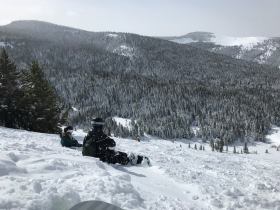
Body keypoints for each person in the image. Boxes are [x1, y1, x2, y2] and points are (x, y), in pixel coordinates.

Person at [82, 117, 150, 165]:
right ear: (100, 125)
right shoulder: (100, 135)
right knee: (120, 156)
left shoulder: (89, 134)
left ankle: (133, 158)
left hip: (92, 157)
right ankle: (138, 160)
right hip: (102, 158)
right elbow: (112, 143)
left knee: (116, 153)